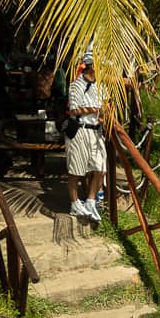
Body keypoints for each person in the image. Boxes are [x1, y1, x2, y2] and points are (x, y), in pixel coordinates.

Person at [66, 52, 106, 221]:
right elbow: (74, 110)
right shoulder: (76, 85)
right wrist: (95, 109)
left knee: (100, 167)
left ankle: (90, 200)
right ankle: (75, 204)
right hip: (80, 130)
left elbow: (104, 106)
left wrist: (103, 115)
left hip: (95, 131)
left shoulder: (100, 86)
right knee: (76, 170)